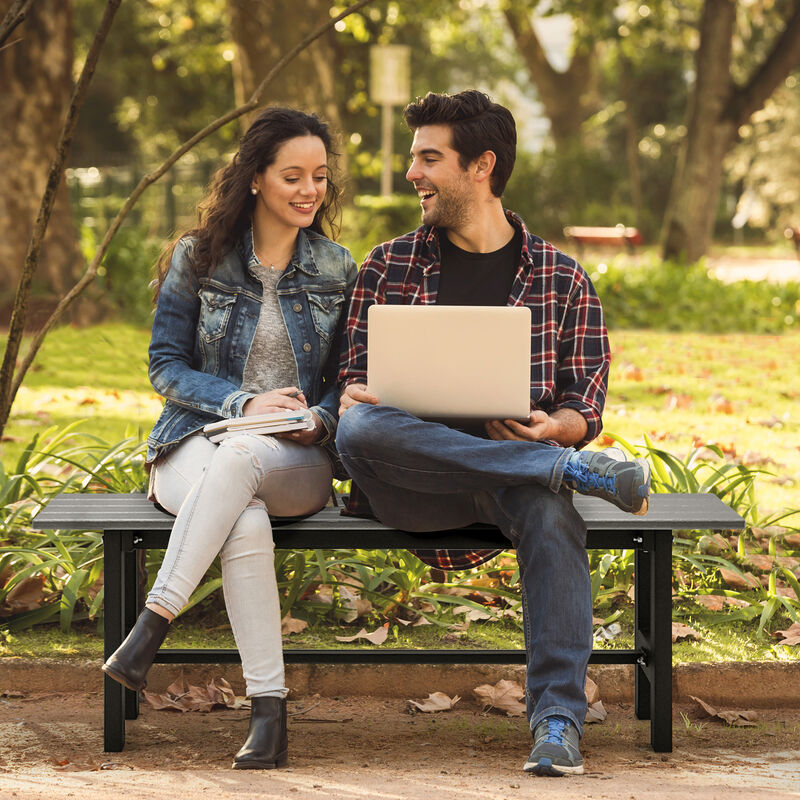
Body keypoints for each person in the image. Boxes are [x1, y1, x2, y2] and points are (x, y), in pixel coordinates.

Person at [335, 90, 650, 777]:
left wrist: (555, 428)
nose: (412, 173)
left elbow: (583, 405)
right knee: (357, 427)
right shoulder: (387, 266)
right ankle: (563, 471)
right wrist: (352, 392)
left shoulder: (563, 278)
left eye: (428, 158)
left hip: (511, 485)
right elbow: (350, 386)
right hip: (411, 483)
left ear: (481, 165)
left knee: (548, 512)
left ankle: (558, 723)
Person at [101, 107, 357, 770]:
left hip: (291, 455)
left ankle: (151, 627)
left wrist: (319, 418)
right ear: (255, 178)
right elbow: (165, 365)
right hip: (197, 440)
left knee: (247, 456)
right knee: (242, 519)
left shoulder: (336, 267)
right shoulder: (200, 256)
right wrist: (242, 401)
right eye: (292, 176)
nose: (309, 190)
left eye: (320, 178)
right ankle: (269, 716)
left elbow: (350, 378)